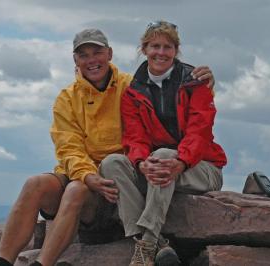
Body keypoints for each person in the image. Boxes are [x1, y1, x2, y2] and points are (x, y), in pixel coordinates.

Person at [0, 28, 215, 266]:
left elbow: (169, 99)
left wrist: (205, 82)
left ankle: (42, 263)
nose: (92, 60)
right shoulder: (67, 98)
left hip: (118, 179)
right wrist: (87, 175)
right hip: (85, 175)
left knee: (77, 189)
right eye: (83, 55)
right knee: (35, 184)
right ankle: (1, 261)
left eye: (97, 52)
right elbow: (68, 147)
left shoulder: (132, 86)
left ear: (110, 54)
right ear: (75, 60)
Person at [100, 21, 227, 266]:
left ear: (176, 51)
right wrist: (139, 164)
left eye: (167, 47)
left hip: (202, 168)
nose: (161, 52)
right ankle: (156, 243)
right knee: (112, 163)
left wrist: (181, 161)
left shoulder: (195, 82)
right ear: (144, 49)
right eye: (155, 46)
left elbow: (199, 132)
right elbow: (134, 138)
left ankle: (146, 246)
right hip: (160, 169)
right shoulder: (133, 91)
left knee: (164, 154)